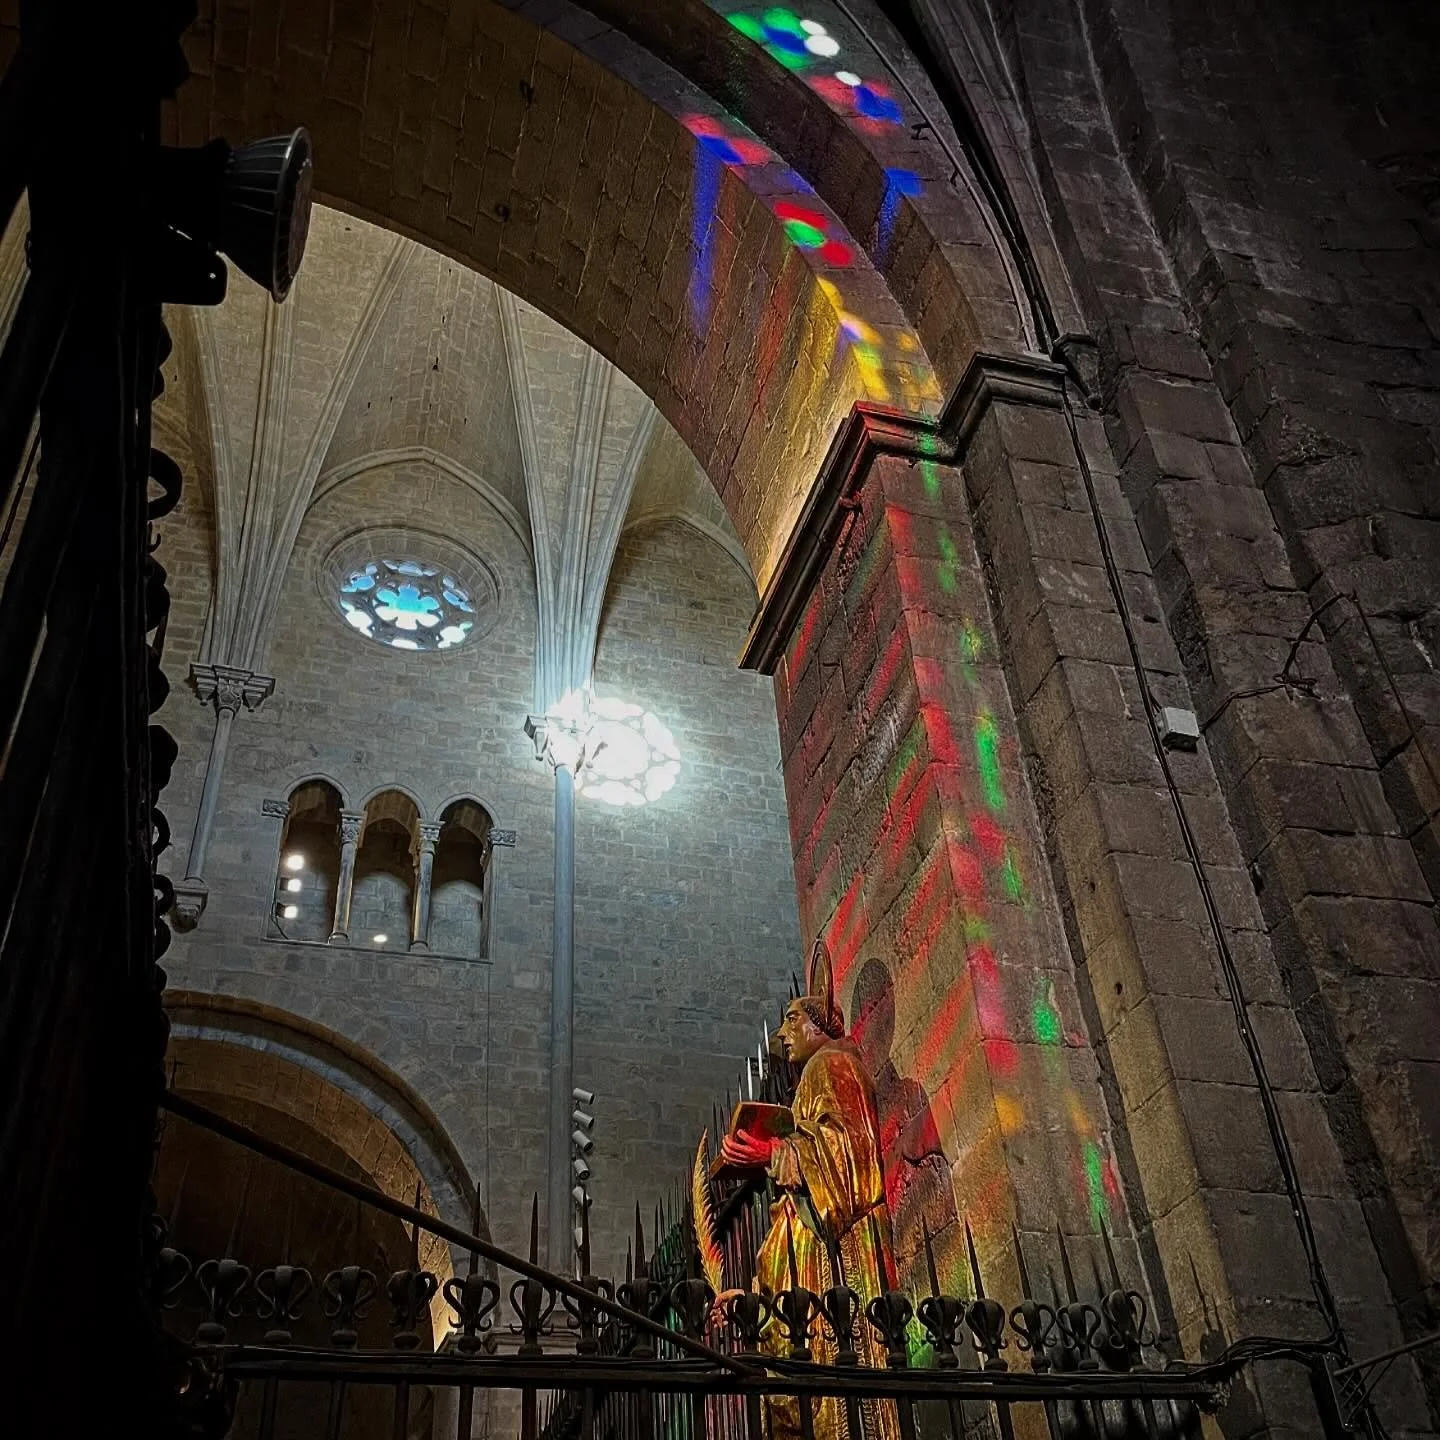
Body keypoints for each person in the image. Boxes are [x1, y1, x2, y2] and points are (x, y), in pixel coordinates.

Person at [721, 940, 899, 1440]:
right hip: (804, 1257)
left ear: (819, 1023)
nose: (781, 1035)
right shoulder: (816, 1076)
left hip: (833, 1262)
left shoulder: (833, 1065)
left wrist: (773, 1153)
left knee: (831, 1405)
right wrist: (751, 1296)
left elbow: (851, 1153)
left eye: (791, 1021)